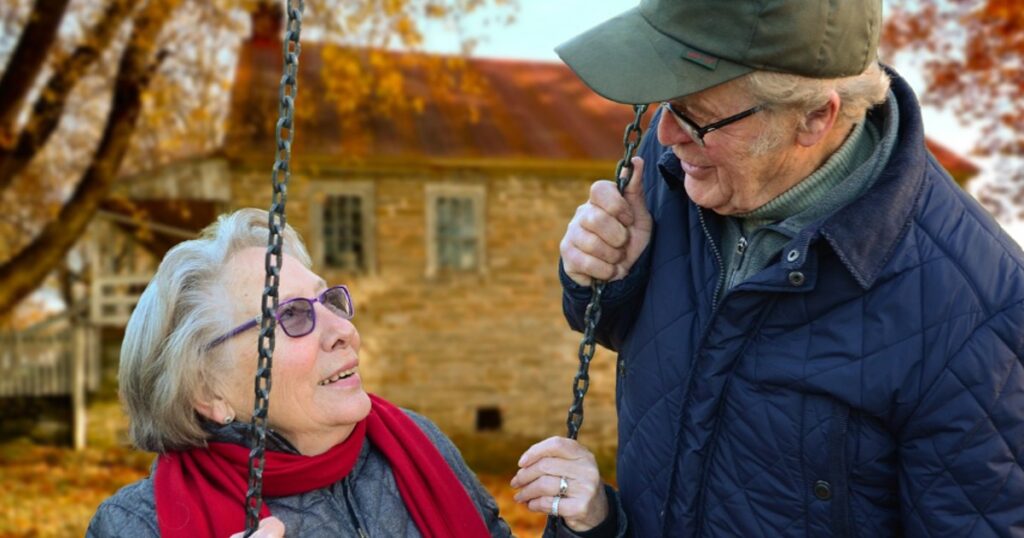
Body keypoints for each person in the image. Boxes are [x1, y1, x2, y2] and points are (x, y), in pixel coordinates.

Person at [556, 0, 1024, 536]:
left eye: (698, 117)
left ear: (815, 118)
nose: (667, 135)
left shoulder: (981, 317)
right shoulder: (685, 167)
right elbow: (650, 343)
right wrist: (605, 280)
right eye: (665, 105)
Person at [87, 208, 625, 537]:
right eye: (292, 315)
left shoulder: (416, 447)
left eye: (328, 300)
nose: (342, 329)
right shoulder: (135, 527)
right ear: (208, 391)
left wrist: (590, 527)